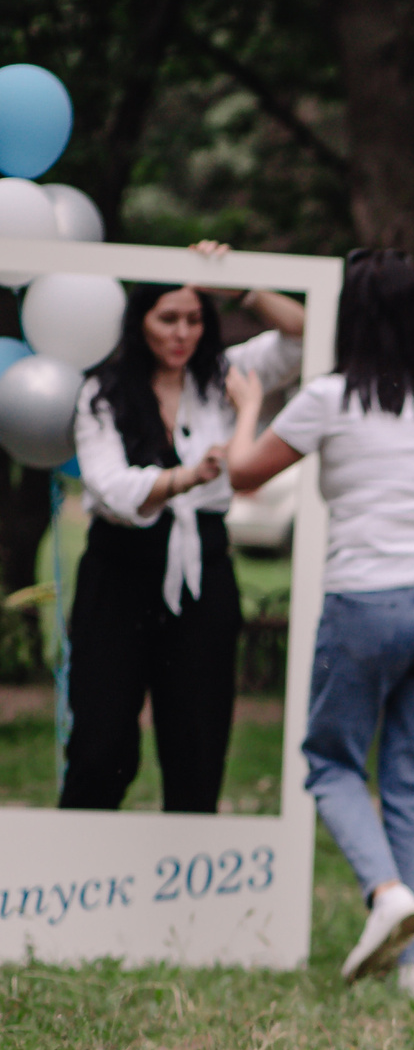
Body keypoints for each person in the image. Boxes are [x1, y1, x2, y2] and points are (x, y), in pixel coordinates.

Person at [224, 249, 414, 999]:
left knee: (330, 761)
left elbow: (243, 474)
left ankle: (386, 894)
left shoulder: (329, 397)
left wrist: (247, 405)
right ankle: (411, 970)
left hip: (369, 597)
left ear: (351, 318)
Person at [62, 263, 304, 812]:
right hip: (119, 571)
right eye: (167, 318)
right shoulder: (104, 391)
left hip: (204, 573)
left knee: (197, 741)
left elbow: (305, 333)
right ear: (139, 320)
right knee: (102, 744)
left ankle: (186, 883)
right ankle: (76, 873)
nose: (182, 334)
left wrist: (242, 286)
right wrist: (185, 477)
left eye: (194, 319)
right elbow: (110, 486)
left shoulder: (225, 375)